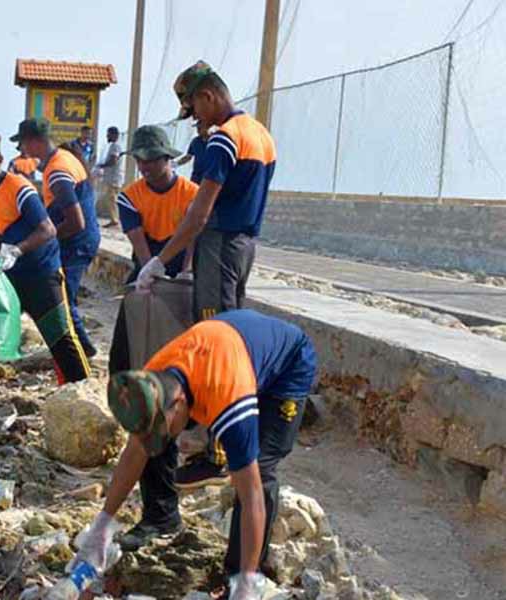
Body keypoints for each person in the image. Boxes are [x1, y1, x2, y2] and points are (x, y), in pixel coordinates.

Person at [69, 310, 316, 600]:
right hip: (234, 346)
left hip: (288, 364)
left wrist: (246, 583)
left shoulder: (228, 401)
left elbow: (252, 497)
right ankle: (162, 518)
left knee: (259, 471)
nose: (163, 435)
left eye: (164, 427)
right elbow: (135, 448)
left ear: (178, 402)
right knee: (152, 443)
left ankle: (243, 574)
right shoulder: (149, 380)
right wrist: (103, 524)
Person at [134, 62, 278, 489]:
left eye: (193, 107)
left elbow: (201, 210)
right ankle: (226, 444)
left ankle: (218, 455)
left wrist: (163, 260)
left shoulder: (222, 140)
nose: (195, 118)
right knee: (230, 339)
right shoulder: (260, 134)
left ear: (209, 96)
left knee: (215, 345)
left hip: (219, 246)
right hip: (243, 247)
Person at [0, 133, 90, 405]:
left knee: (60, 336)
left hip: (42, 272)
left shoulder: (18, 187)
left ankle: (84, 394)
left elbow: (47, 229)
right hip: (9, 275)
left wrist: (17, 250)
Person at [108, 124, 197, 373]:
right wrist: (150, 271)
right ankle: (123, 379)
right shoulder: (130, 196)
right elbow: (139, 242)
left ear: (167, 158)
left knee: (188, 326)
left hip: (182, 263)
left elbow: (193, 237)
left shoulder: (192, 194)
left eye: (151, 160)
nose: (144, 166)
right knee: (129, 323)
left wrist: (187, 272)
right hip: (148, 262)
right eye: (139, 160)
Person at [12, 117, 100, 358]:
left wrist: (47, 237)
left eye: (23, 145)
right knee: (60, 297)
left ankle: (82, 352)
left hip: (76, 242)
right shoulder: (63, 159)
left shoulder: (58, 170)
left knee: (62, 300)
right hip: (79, 240)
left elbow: (75, 221)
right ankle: (81, 349)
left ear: (34, 142)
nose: (23, 151)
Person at [94, 126, 123, 227]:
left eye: (109, 133)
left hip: (113, 178)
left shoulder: (115, 146)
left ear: (114, 135)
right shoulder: (113, 146)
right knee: (110, 199)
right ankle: (114, 219)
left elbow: (113, 161)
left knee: (112, 199)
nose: (107, 136)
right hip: (111, 178)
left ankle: (114, 220)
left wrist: (102, 165)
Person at [175, 119, 212, 184]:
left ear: (207, 127)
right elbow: (188, 157)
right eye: (197, 128)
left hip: (210, 178)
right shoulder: (195, 141)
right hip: (196, 177)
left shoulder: (215, 140)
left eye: (200, 128)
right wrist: (175, 164)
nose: (197, 130)